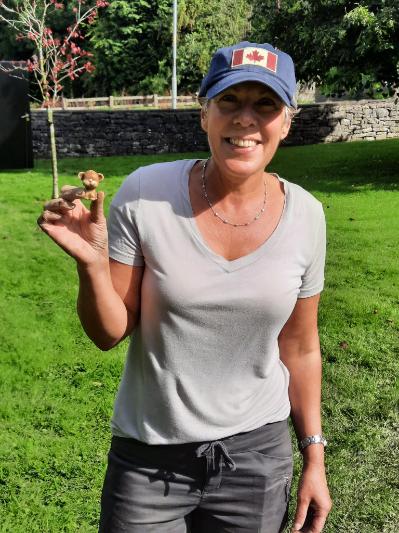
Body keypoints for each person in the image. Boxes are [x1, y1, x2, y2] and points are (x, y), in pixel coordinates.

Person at [38, 41, 332, 533]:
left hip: (257, 460)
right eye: (230, 102)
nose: (245, 120)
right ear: (204, 115)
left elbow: (300, 348)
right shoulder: (145, 194)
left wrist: (315, 457)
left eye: (265, 105)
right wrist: (91, 265)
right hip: (149, 459)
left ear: (286, 122)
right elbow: (109, 332)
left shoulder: (307, 216)